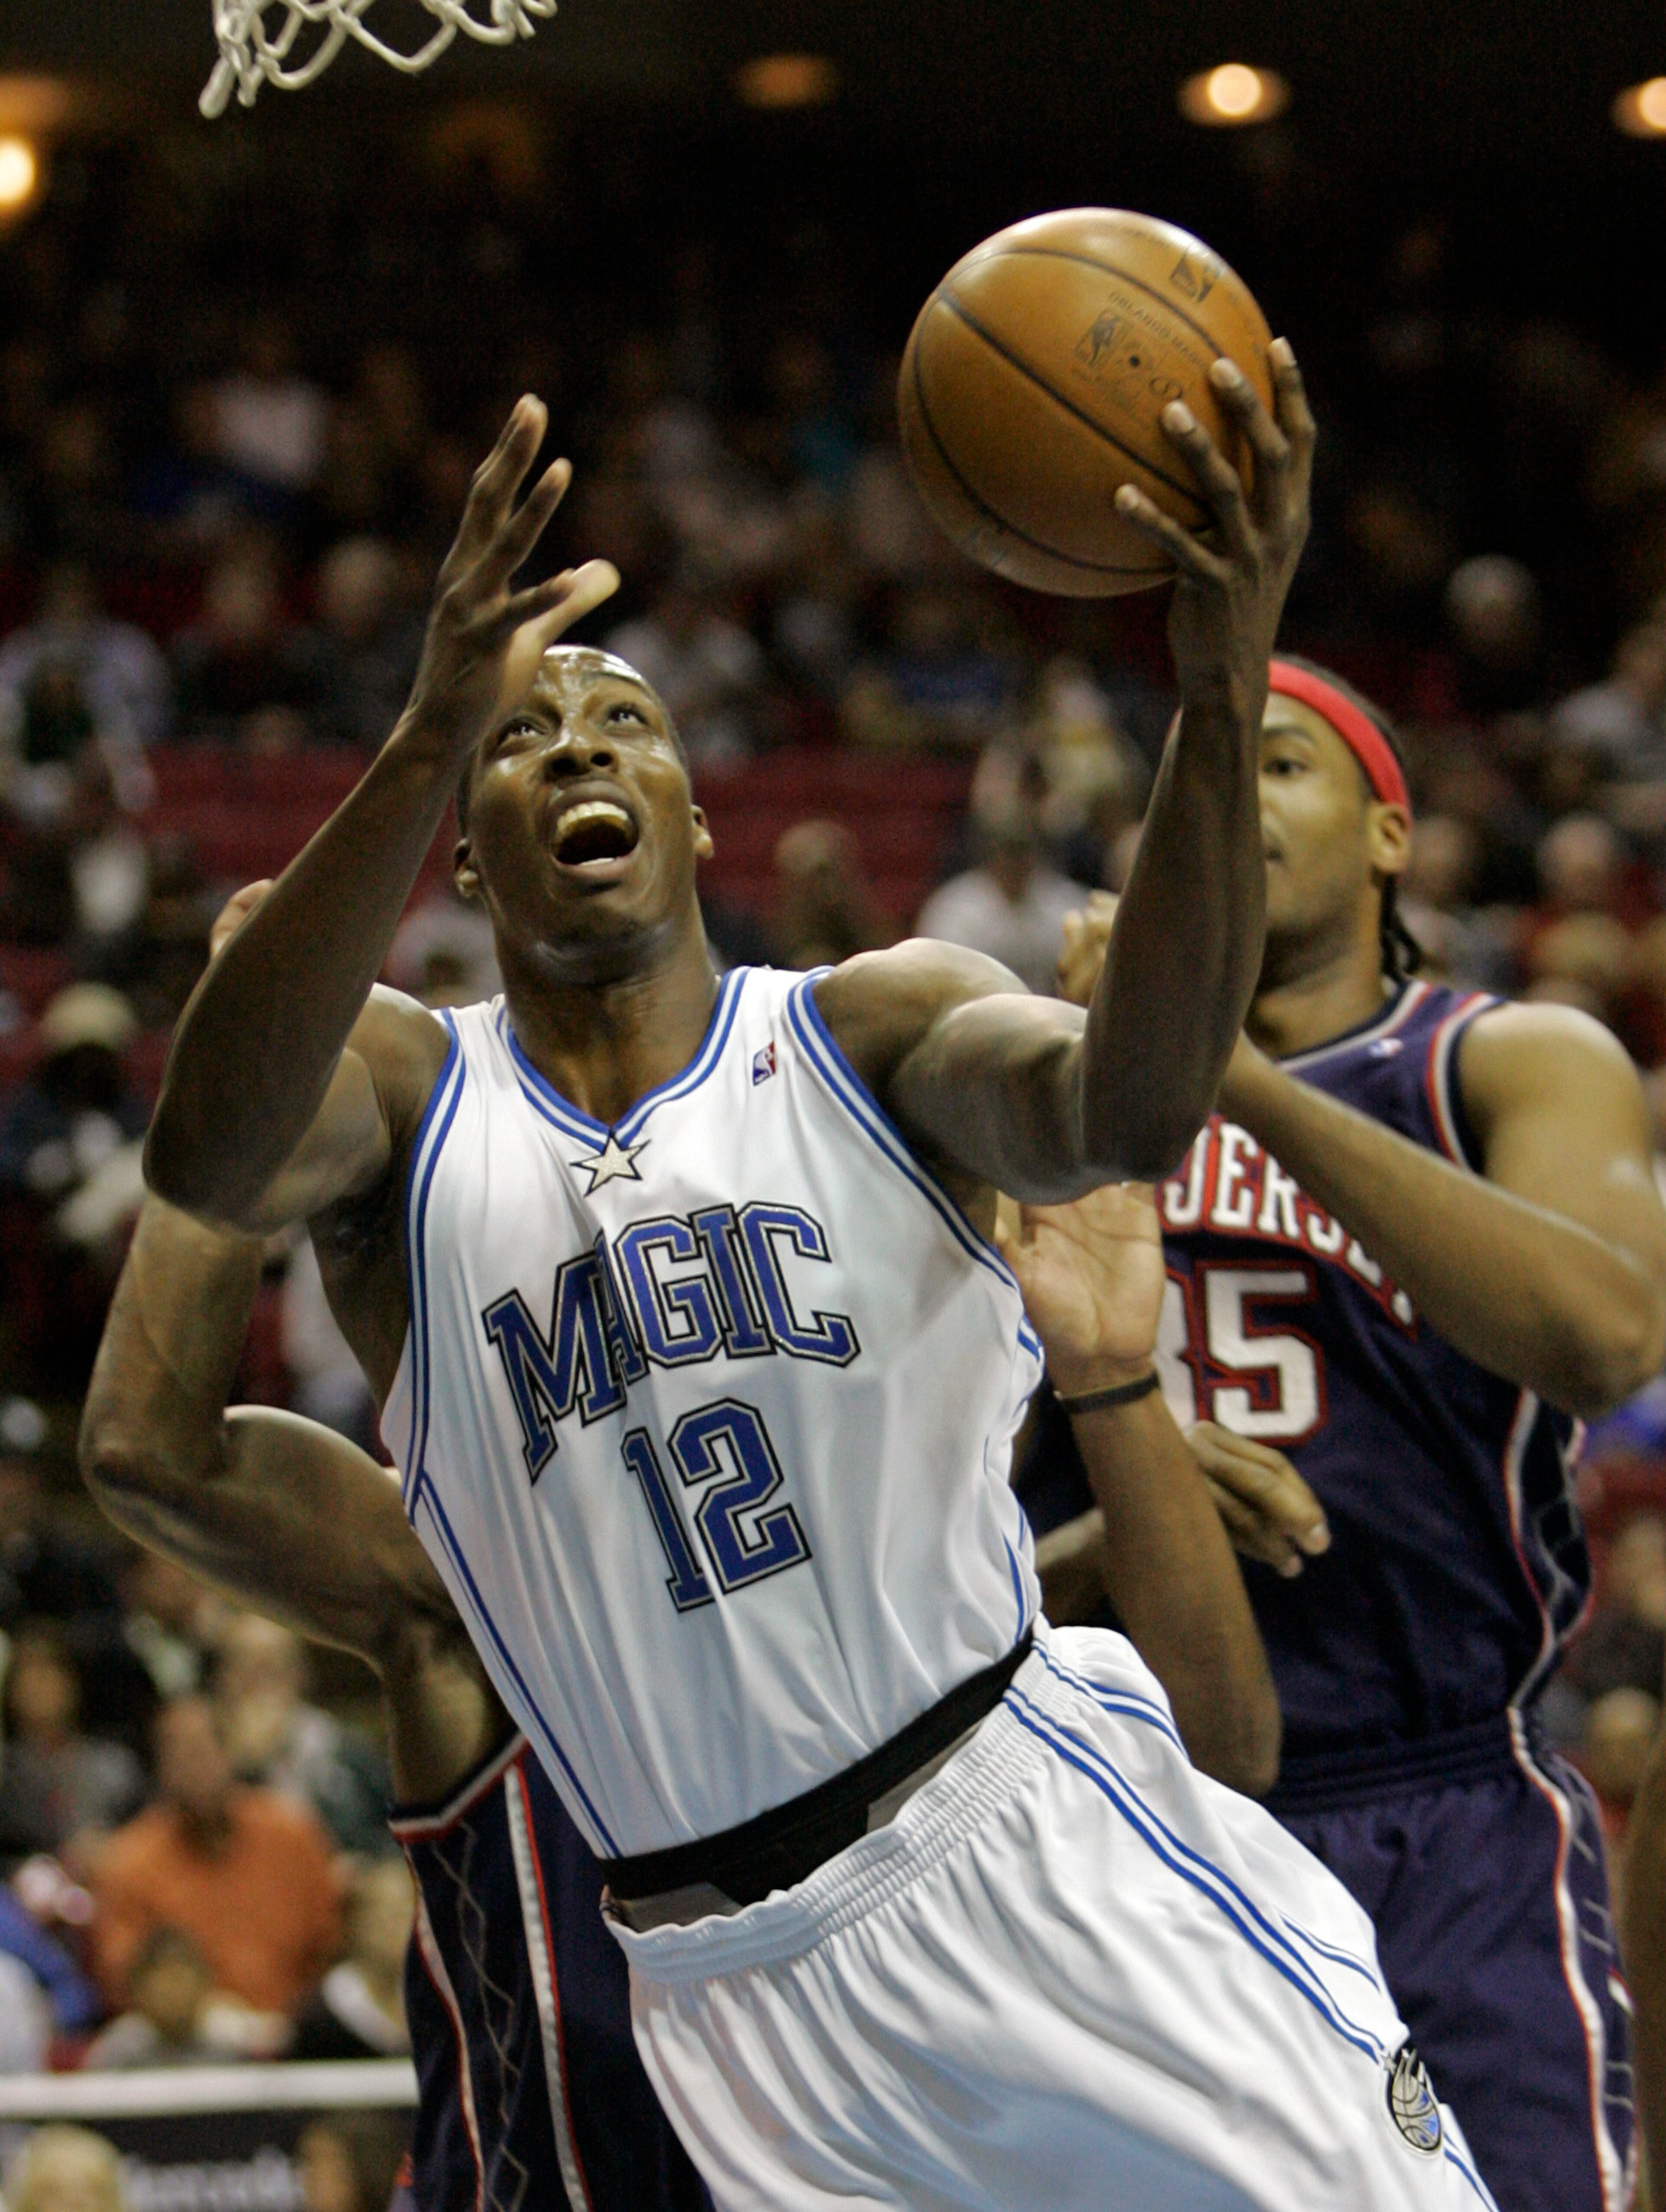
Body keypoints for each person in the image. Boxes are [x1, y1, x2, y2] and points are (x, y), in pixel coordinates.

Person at [144, 375, 1493, 2209]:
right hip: (730, 1997)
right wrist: (414, 732)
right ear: (455, 849)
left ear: (699, 821)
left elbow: (1135, 1098)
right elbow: (207, 1159)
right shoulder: (406, 1102)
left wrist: (1207, 689)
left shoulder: (868, 1028)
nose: (577, 750)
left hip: (1016, 1848)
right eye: (521, 738)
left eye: (623, 723)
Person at [84, 887, 1279, 2208]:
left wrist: (1114, 1432)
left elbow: (1217, 1750)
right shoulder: (455, 1594)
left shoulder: (910, 1646)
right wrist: (250, 1064)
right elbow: (149, 1444)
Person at [1055, 654, 1666, 2212]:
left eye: (1274, 767)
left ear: (1390, 834)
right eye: (1194, 780)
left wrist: (1245, 1089)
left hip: (1451, 1806)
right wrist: (1113, 1485)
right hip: (1142, 1821)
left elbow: (1605, 1338)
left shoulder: (1501, 1060)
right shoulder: (1031, 1098)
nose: (1225, 806)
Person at [89, 1692, 341, 2019]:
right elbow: (123, 1977)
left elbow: (330, 1948)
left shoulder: (293, 1835)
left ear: (232, 1752)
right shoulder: (128, 1859)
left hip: (298, 2032)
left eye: (208, 1747)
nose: (196, 1764)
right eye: (179, 1752)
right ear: (158, 1765)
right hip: (184, 2045)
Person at [82, 1925, 248, 2069]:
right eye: (165, 1983)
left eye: (180, 1980)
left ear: (205, 1983)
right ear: (140, 1990)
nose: (175, 1994)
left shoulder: (227, 2048)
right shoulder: (117, 2051)